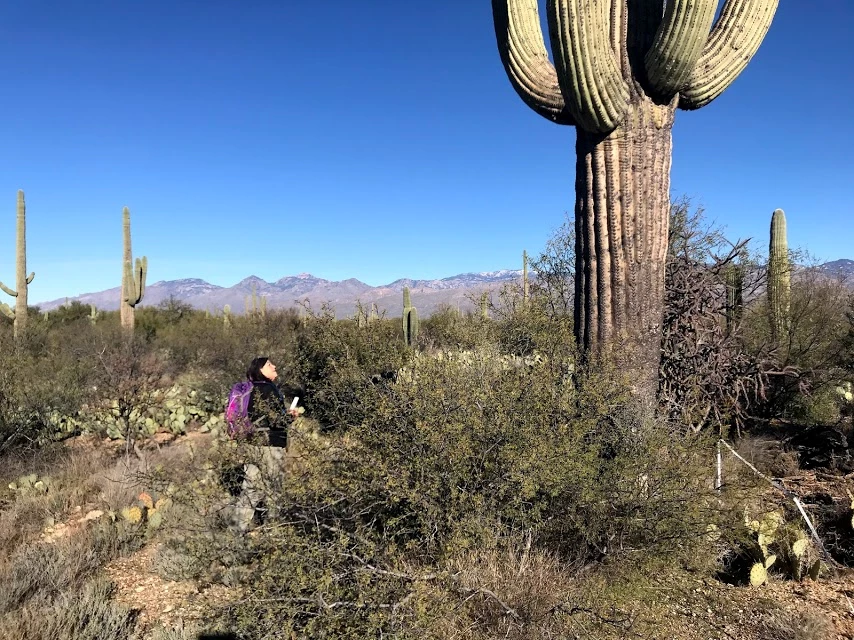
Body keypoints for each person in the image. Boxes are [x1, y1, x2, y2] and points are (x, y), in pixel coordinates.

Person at [232, 356, 299, 532]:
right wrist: (290, 416)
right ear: (260, 370)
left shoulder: (250, 390)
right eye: (269, 365)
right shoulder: (270, 389)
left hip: (251, 445)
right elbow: (277, 421)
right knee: (274, 490)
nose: (274, 366)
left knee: (250, 490)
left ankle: (235, 533)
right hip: (270, 447)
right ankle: (275, 534)